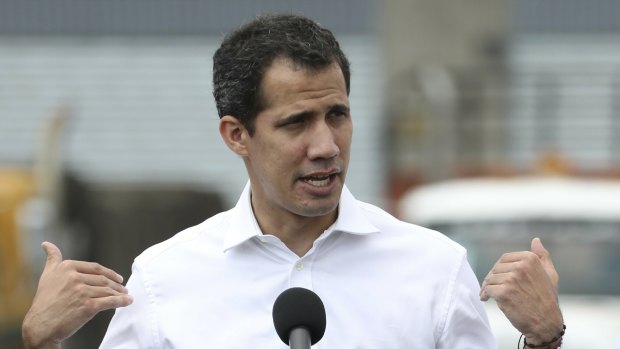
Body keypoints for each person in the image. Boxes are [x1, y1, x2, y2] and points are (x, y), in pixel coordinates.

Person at [22, 14, 564, 348]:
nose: (326, 145)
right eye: (296, 123)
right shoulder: (164, 279)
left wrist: (543, 342)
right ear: (237, 135)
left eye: (337, 115)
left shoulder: (434, 269)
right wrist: (39, 345)